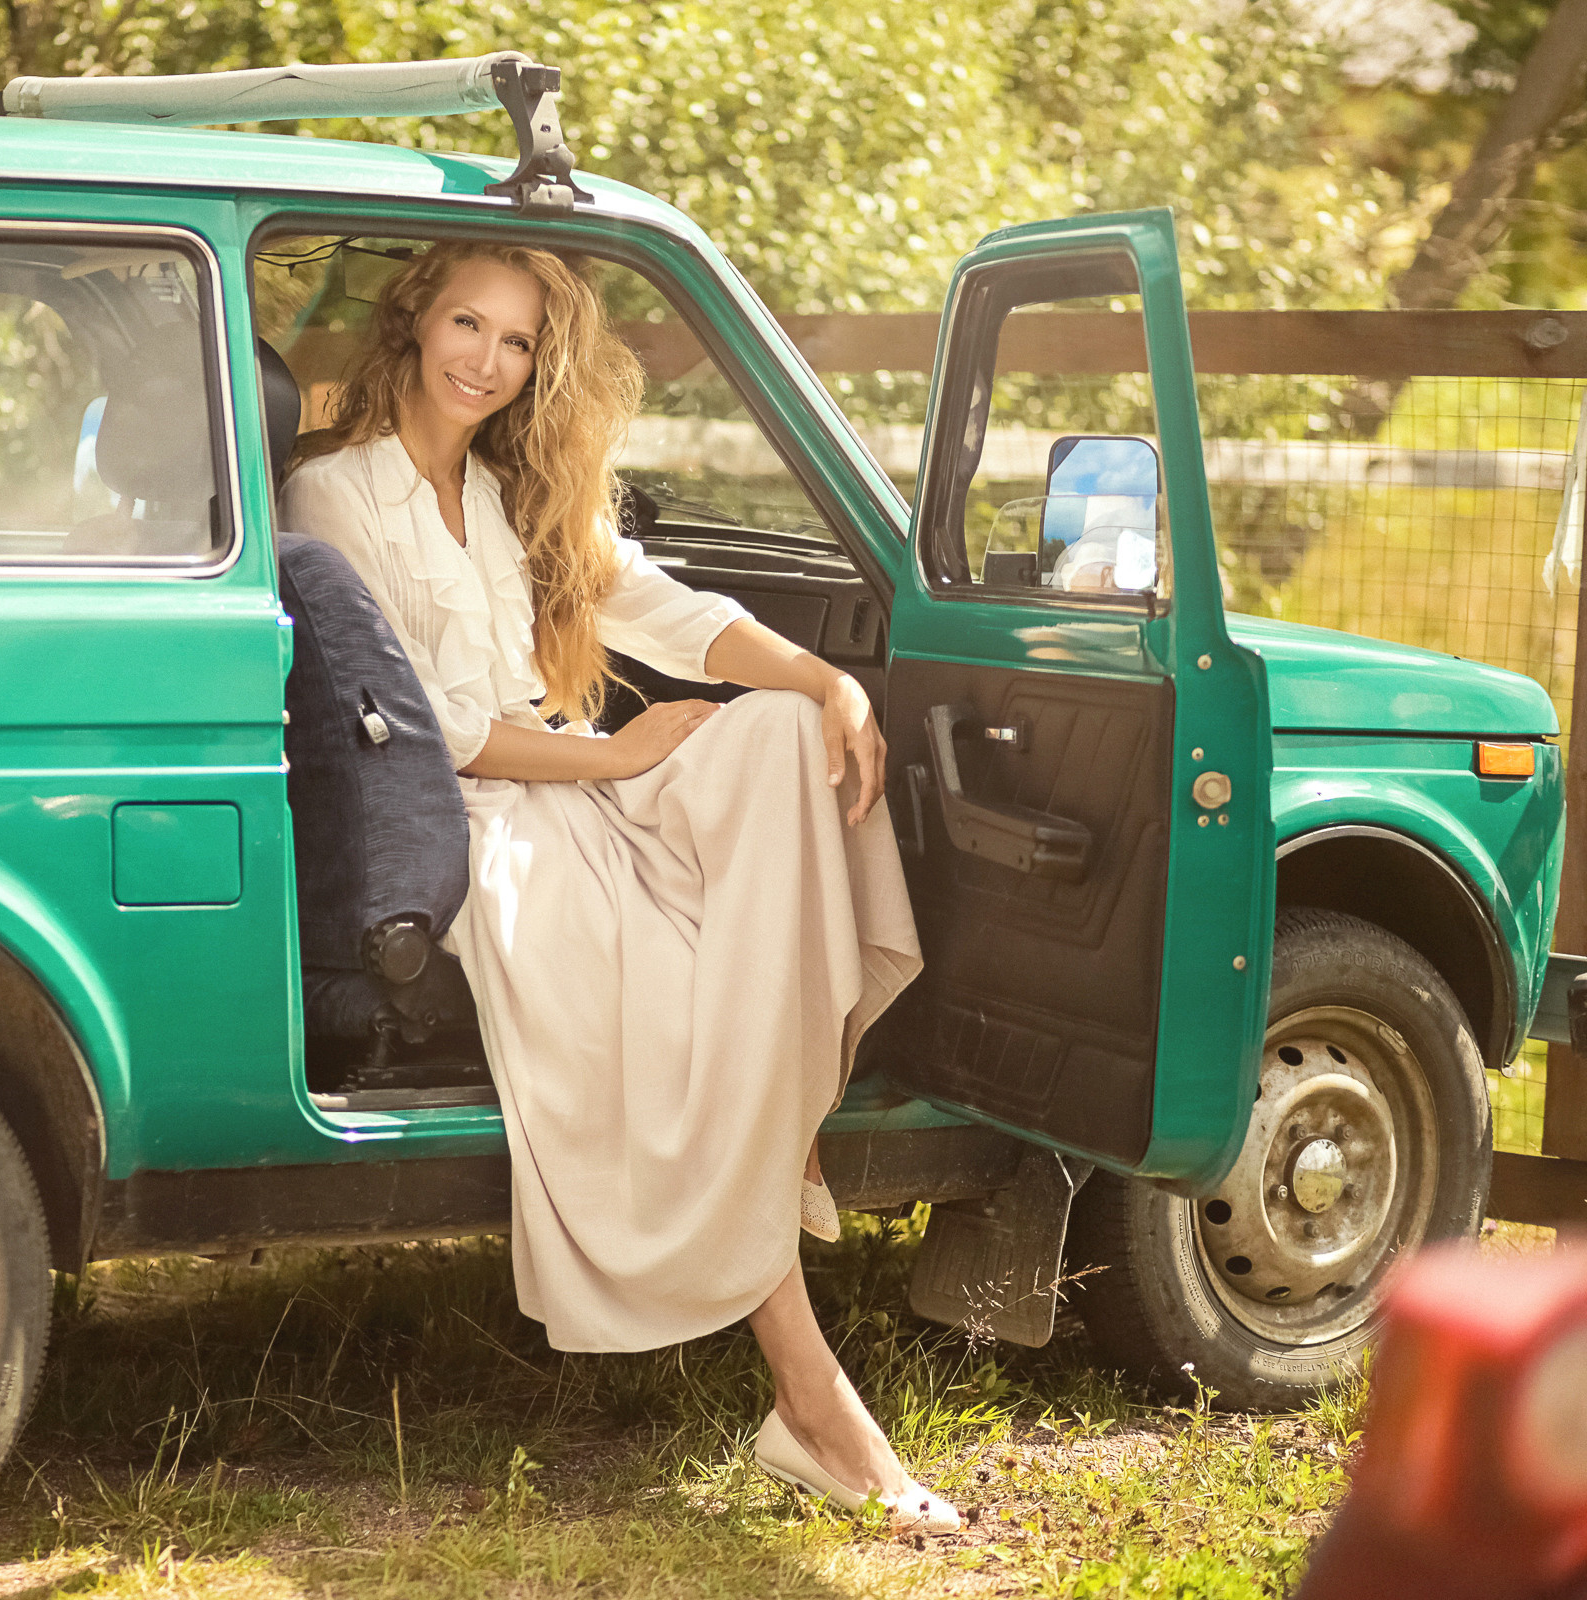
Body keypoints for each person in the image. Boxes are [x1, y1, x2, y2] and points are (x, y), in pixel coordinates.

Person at [278, 240, 959, 1533]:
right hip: (462, 821)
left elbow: (661, 607)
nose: (487, 359)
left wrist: (823, 684)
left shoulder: (500, 490)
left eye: (518, 341)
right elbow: (425, 729)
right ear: (416, 323)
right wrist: (613, 752)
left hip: (560, 783)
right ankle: (812, 1396)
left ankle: (777, 1098)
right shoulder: (337, 496)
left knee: (767, 739)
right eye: (468, 325)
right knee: (650, 955)